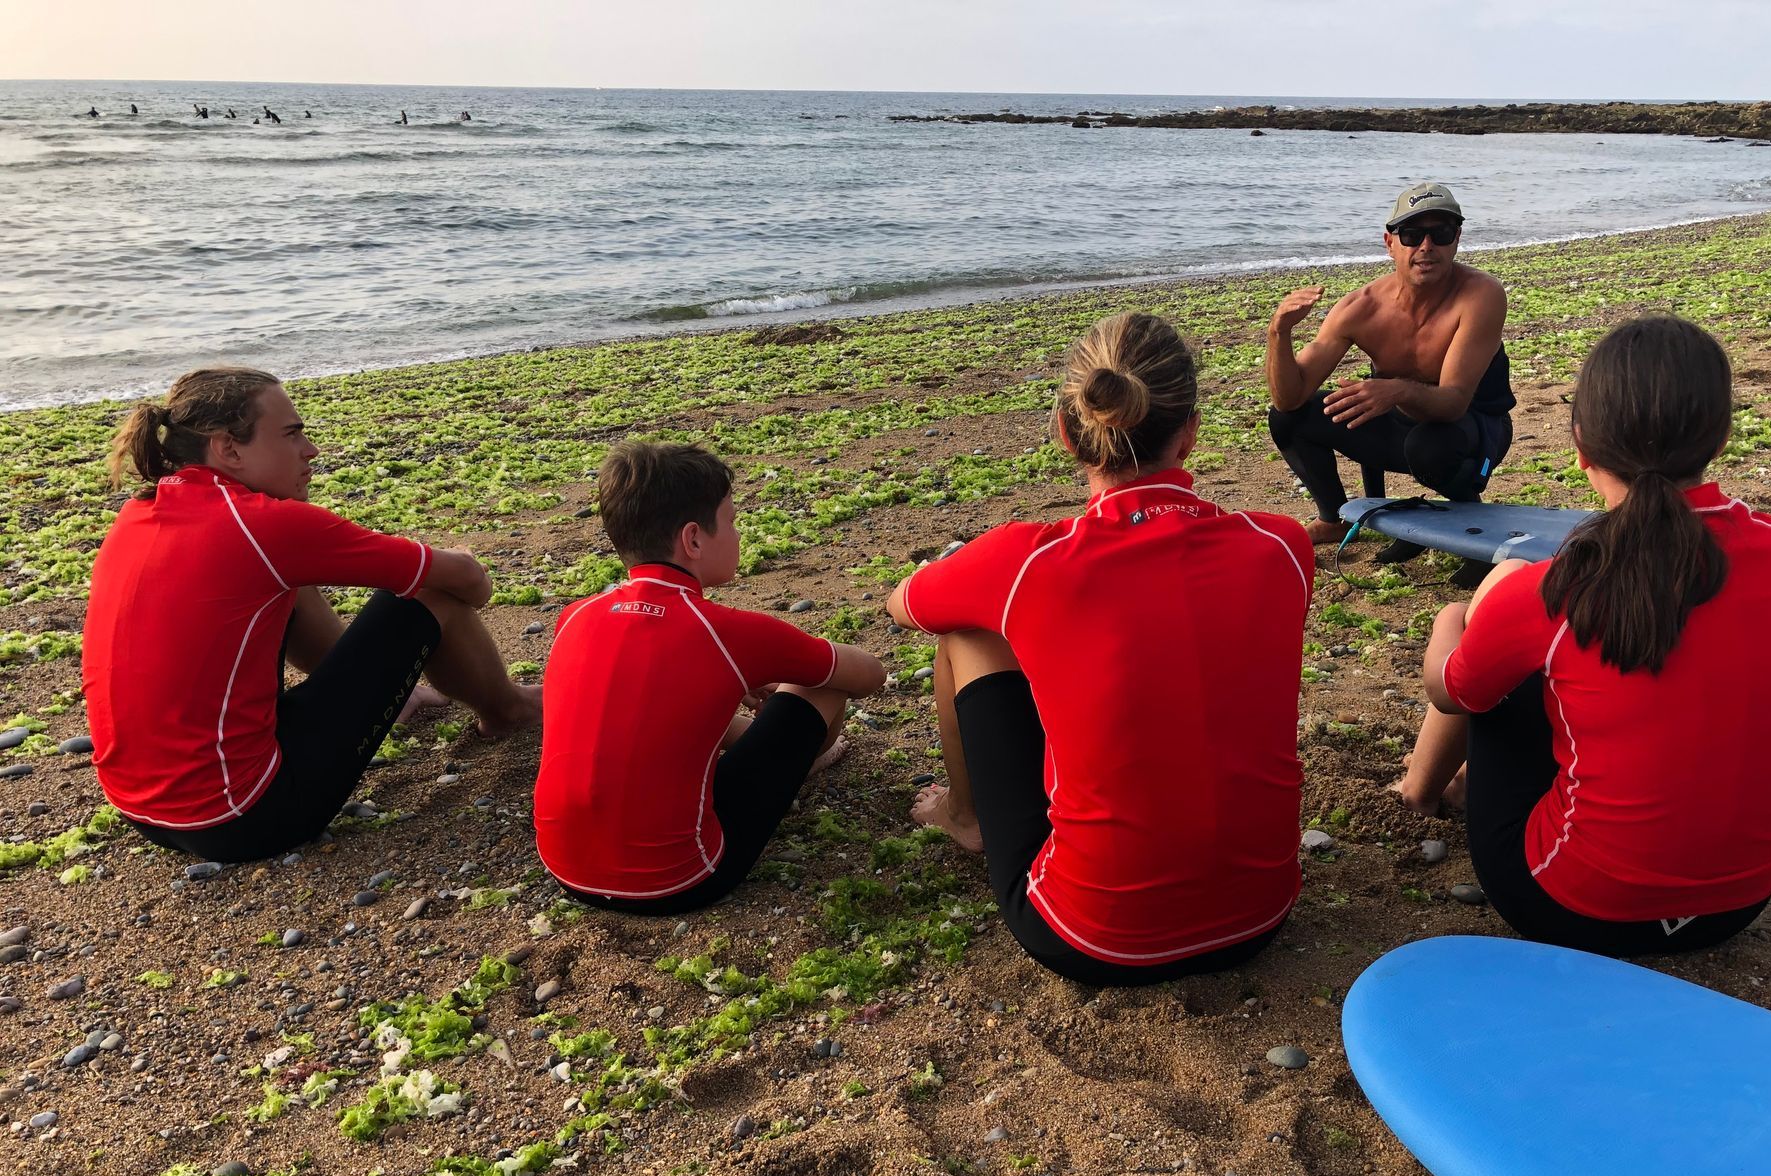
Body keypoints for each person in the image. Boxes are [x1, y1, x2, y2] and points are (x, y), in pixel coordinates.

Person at [888, 312, 1314, 986]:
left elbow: (904, 603)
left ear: (1067, 432)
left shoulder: (1029, 559)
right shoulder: (1282, 545)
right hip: (1260, 917)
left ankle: (963, 814)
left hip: (1093, 937)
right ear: (1191, 432)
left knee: (967, 631)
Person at [1396, 314, 1771, 957]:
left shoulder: (1555, 590)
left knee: (1503, 628)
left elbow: (1452, 690)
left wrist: (1455, 618)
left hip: (1570, 907)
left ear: (1581, 443)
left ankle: (1417, 791)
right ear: (1719, 439)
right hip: (1735, 906)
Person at [83, 368, 539, 863]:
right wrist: (462, 564)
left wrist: (381, 683)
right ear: (228, 449)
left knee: (282, 581)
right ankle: (507, 711)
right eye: (291, 433)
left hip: (141, 810)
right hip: (247, 817)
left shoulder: (140, 512)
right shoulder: (264, 525)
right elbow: (469, 581)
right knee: (429, 592)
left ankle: (401, 698)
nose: (311, 450)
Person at [534, 443, 885, 913]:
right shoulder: (725, 631)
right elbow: (869, 674)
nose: (739, 535)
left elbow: (657, 694)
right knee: (816, 684)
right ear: (693, 540)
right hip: (682, 879)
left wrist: (733, 680)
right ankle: (811, 760)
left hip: (564, 869)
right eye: (733, 521)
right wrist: (774, 670)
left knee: (646, 706)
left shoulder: (575, 616)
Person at [1265, 181, 1514, 563]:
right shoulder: (1360, 307)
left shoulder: (1482, 295)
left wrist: (1396, 390)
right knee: (1289, 419)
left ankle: (1468, 522)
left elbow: (1454, 403)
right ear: (1390, 242)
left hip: (1477, 430)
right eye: (1412, 234)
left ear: (1457, 238)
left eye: (1441, 233)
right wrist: (1279, 331)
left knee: (1429, 446)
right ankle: (1332, 517)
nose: (1426, 246)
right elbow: (1288, 397)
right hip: (1401, 426)